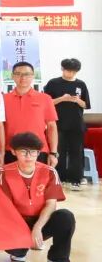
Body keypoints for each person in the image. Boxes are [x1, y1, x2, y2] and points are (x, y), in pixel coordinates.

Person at [0, 132, 75, 262]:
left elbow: (51, 205)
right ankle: (19, 249)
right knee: (16, 249)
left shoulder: (50, 172)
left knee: (66, 216)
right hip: (16, 221)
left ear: (39, 153)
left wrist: (37, 228)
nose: (28, 156)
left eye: (33, 152)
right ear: (14, 152)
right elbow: (6, 207)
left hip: (41, 221)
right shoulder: (3, 172)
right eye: (23, 151)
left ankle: (58, 259)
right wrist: (24, 231)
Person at [44, 58, 91, 189]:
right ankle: (59, 177)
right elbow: (46, 102)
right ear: (62, 69)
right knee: (59, 151)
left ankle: (76, 178)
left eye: (73, 72)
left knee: (76, 151)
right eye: (68, 71)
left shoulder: (81, 84)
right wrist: (62, 99)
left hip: (76, 124)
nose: (70, 74)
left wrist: (77, 101)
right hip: (58, 123)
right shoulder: (53, 83)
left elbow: (86, 104)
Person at [3, 62, 59, 166]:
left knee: (40, 177)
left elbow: (52, 127)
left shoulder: (45, 98)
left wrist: (53, 153)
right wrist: (0, 153)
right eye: (18, 74)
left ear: (33, 76)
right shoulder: (3, 99)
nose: (23, 77)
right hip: (11, 151)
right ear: (12, 76)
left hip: (38, 151)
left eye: (27, 74)